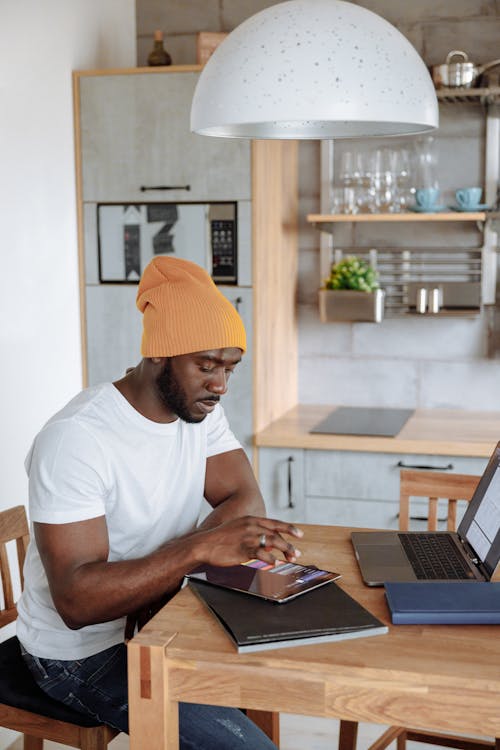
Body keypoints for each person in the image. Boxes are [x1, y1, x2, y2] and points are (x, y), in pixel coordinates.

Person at [16, 256, 303, 750]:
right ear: (158, 355)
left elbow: (243, 495)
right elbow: (77, 603)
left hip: (162, 616)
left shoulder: (198, 411)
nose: (220, 385)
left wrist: (173, 569)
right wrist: (198, 552)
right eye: (205, 365)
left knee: (285, 666)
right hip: (81, 655)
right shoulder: (77, 440)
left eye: (230, 367)